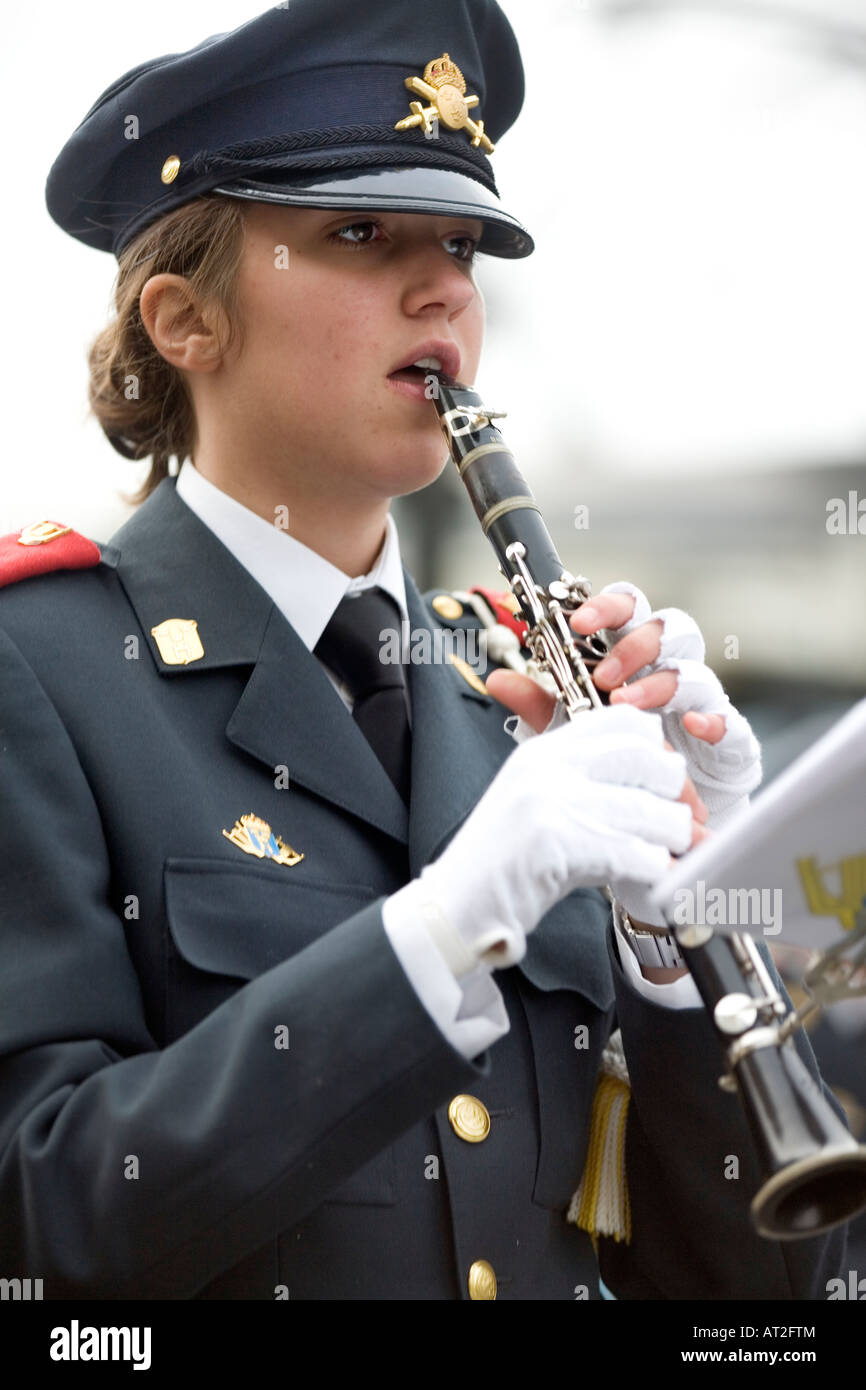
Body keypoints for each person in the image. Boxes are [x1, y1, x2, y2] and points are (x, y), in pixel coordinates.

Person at [0, 0, 847, 1300]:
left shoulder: (514, 693)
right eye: (358, 233)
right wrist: (444, 928)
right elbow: (46, 1221)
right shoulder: (39, 667)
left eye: (461, 243)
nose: (445, 284)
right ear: (183, 319)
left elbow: (754, 1297)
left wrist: (683, 927)